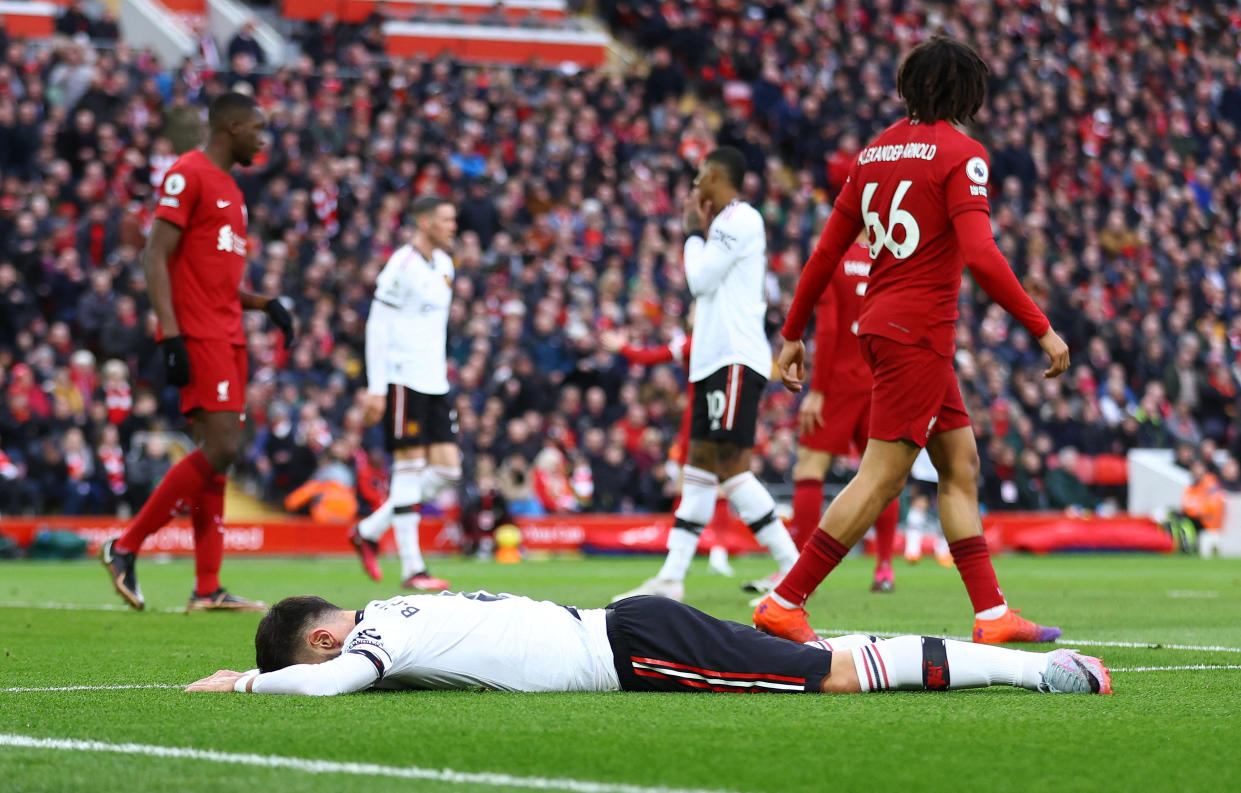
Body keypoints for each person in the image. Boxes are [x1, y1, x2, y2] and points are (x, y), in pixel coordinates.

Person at [755, 37, 1071, 644]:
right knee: (881, 477)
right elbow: (979, 251)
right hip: (917, 334)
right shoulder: (962, 153)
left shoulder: (872, 153)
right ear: (966, 92)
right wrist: (1040, 325)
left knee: (960, 463)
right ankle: (785, 600)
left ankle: (992, 614)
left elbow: (825, 253)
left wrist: (792, 334)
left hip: (882, 326)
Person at [100, 92, 294, 613]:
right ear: (230, 126)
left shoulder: (233, 189)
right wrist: (170, 333)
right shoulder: (189, 173)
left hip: (229, 331)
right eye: (257, 127)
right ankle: (125, 546)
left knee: (218, 458)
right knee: (223, 448)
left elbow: (218, 279)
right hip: (199, 332)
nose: (262, 138)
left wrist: (265, 304)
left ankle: (207, 588)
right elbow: (154, 255)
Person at [185, 591, 1112, 696]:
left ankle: (1042, 671)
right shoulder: (395, 603)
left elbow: (332, 684)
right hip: (629, 624)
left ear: (321, 636)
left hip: (631, 652)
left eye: (320, 652)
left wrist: (241, 686)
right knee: (822, 652)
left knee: (828, 675)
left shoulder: (373, 637)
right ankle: (1035, 665)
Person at [615, 147, 800, 602]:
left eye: (699, 180)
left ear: (718, 178)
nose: (694, 189)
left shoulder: (740, 220)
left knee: (730, 468)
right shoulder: (726, 224)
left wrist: (693, 235)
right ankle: (672, 577)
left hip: (735, 358)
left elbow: (699, 281)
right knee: (697, 469)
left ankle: (795, 572)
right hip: (713, 362)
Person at [348, 196, 462, 591]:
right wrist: (377, 388)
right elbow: (377, 325)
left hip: (435, 381)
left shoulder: (445, 264)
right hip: (403, 379)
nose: (453, 226)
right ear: (425, 222)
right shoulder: (402, 265)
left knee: (448, 469)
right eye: (447, 219)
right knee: (409, 470)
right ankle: (413, 568)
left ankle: (369, 529)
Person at [789, 233, 900, 592]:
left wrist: (817, 392)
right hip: (882, 375)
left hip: (838, 380)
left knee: (810, 468)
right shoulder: (892, 255)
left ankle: (799, 569)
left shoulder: (832, 256)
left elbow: (829, 327)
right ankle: (884, 567)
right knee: (884, 473)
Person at [601, 324, 736, 577]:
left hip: (708, 422)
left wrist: (623, 347)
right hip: (711, 421)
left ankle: (702, 554)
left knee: (714, 489)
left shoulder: (706, 339)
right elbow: (653, 357)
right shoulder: (703, 341)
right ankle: (694, 554)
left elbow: (651, 356)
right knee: (698, 489)